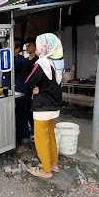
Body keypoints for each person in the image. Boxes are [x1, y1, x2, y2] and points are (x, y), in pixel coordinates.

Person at [25, 33, 64, 179]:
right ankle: (54, 164)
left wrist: (35, 88)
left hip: (42, 108)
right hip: (54, 107)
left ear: (44, 46)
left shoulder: (42, 63)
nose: (37, 46)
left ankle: (46, 170)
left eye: (39, 43)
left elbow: (29, 81)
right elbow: (52, 85)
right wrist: (39, 87)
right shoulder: (56, 63)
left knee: (41, 139)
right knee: (51, 136)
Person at [2, 41, 30, 151]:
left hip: (21, 93)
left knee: (22, 116)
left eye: (11, 48)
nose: (8, 50)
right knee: (14, 116)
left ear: (17, 49)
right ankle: (16, 139)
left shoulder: (20, 61)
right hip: (12, 92)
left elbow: (11, 66)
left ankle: (25, 142)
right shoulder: (11, 60)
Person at [24, 39, 38, 137]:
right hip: (25, 90)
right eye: (27, 46)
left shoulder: (37, 60)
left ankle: (35, 131)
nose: (27, 47)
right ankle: (31, 130)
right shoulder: (25, 60)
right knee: (27, 110)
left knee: (34, 111)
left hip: (34, 89)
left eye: (29, 45)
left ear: (34, 47)